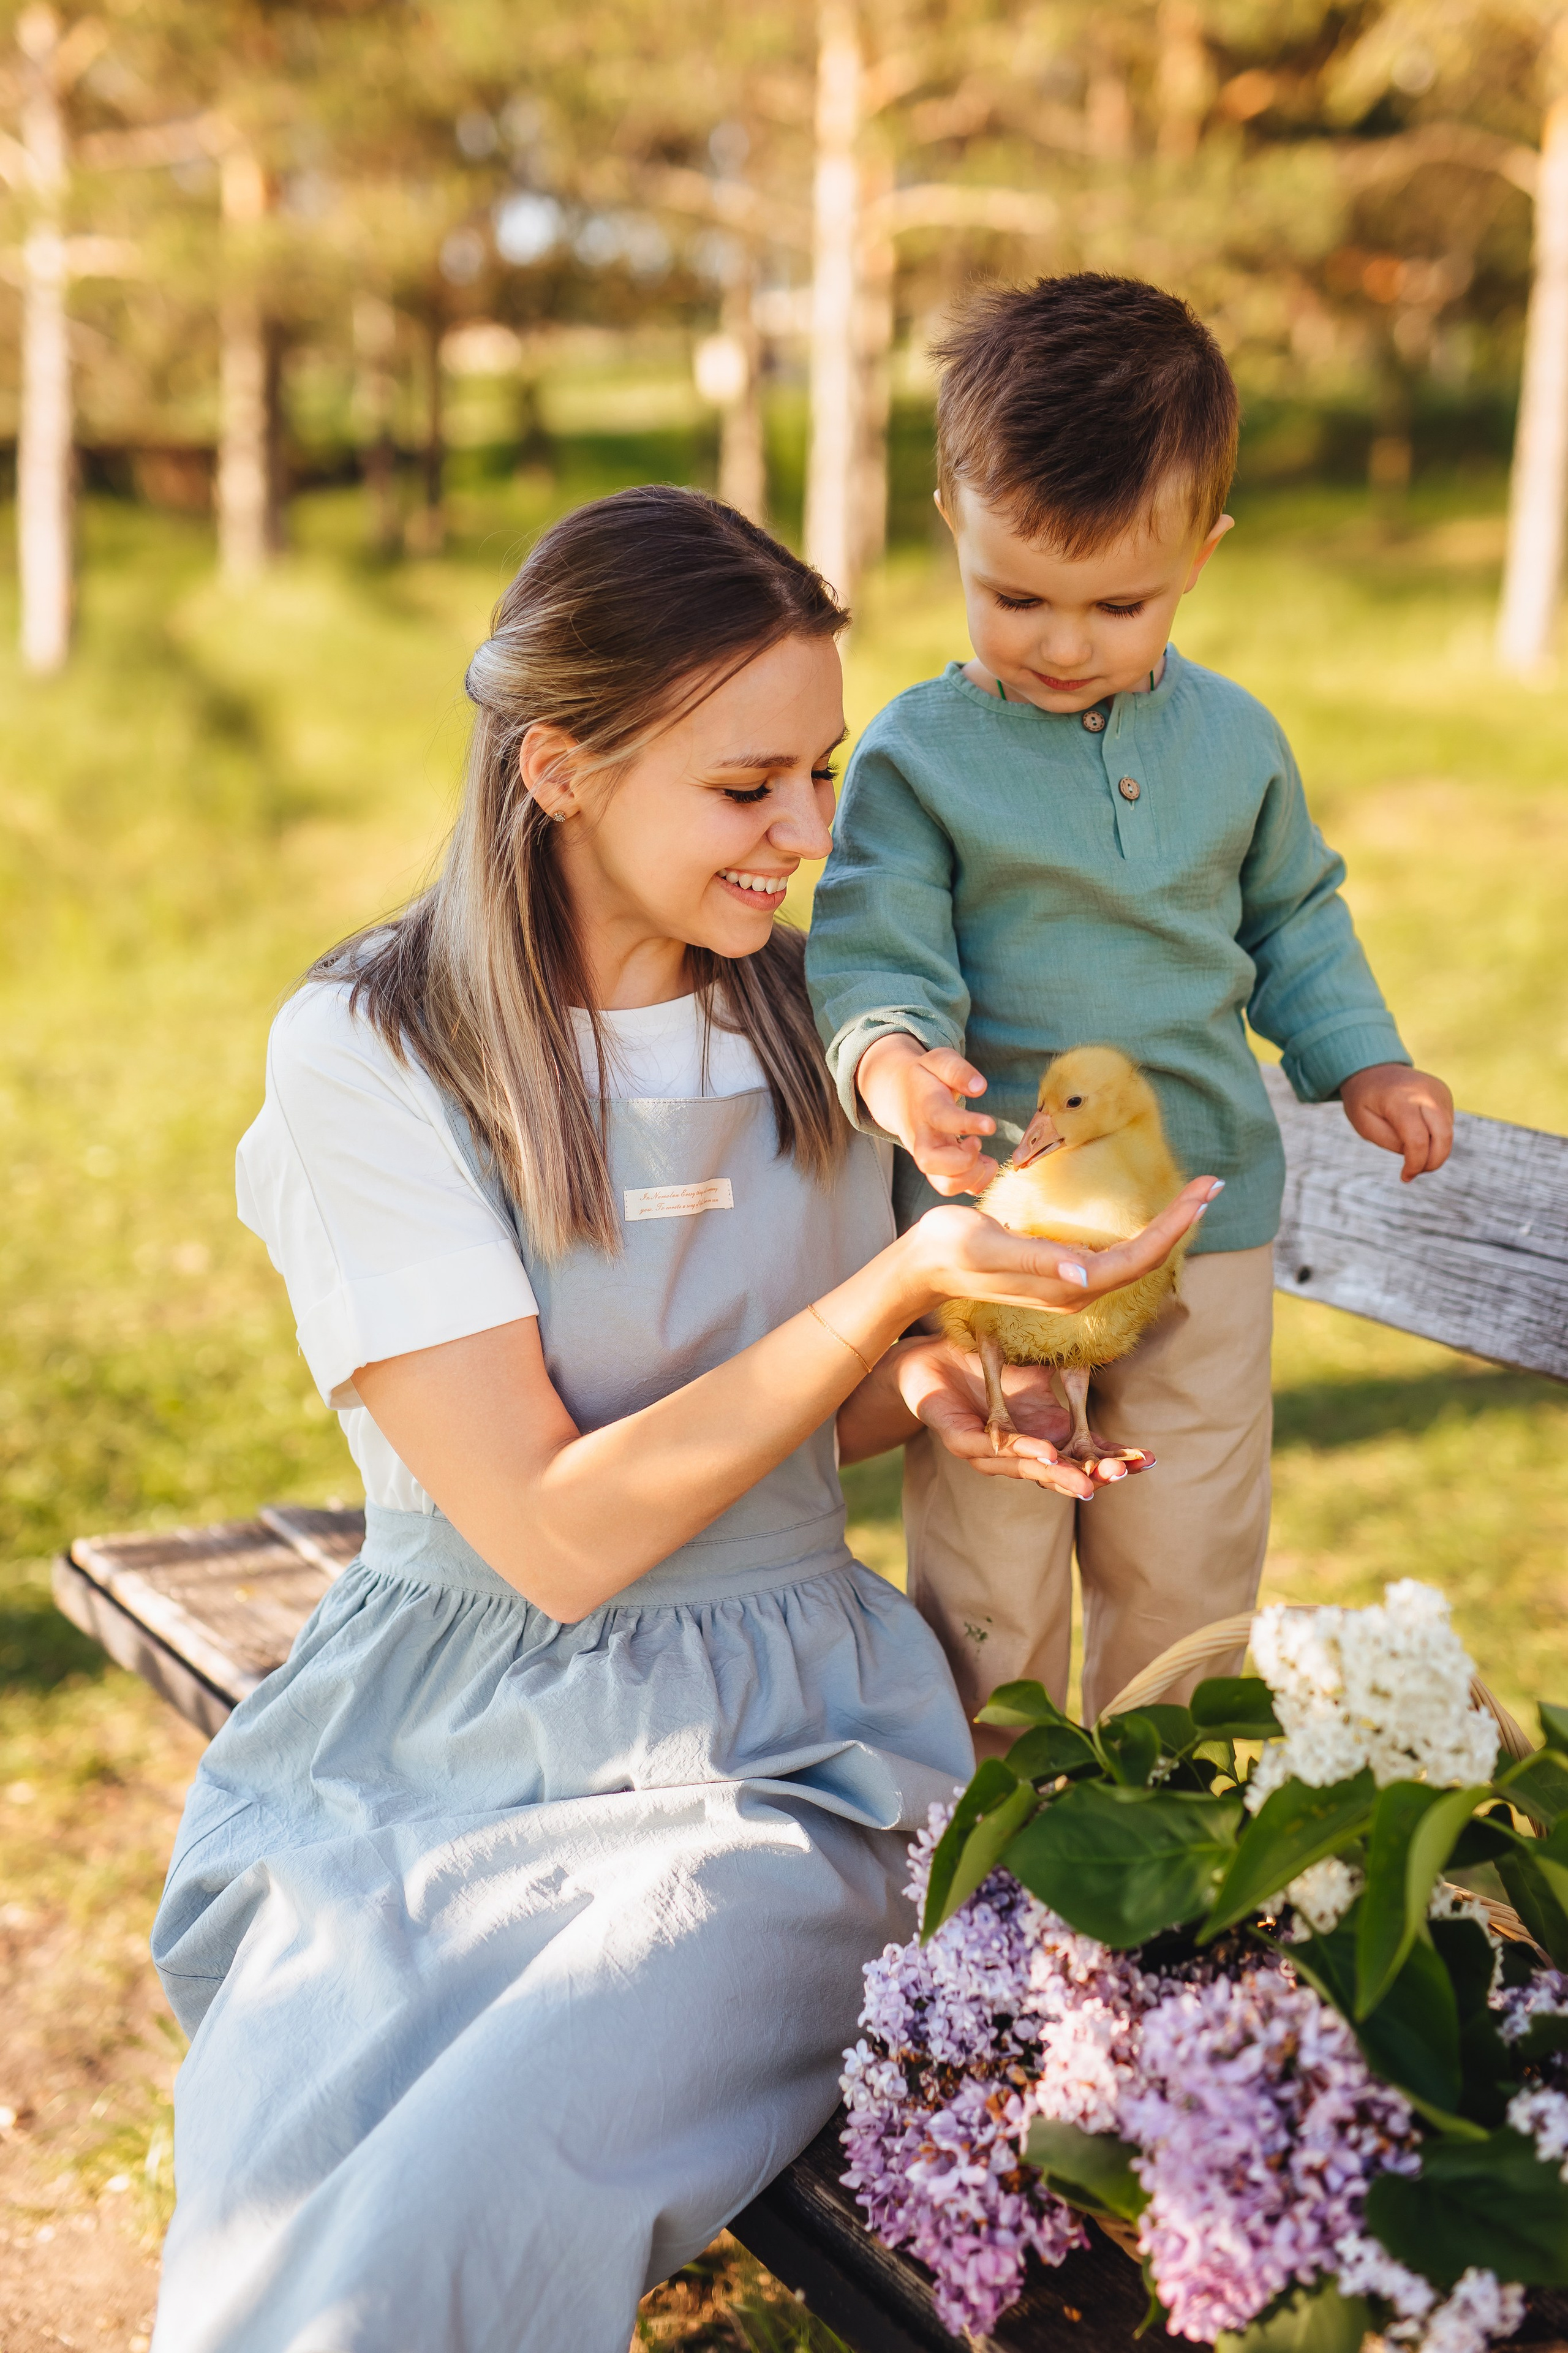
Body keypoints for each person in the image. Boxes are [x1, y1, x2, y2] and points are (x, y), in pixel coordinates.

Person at [149, 485, 1216, 2353]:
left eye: (822, 773)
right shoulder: (378, 1050)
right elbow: (557, 1532)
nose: (809, 833)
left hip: (789, 1755)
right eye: (748, 789)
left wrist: (946, 1377)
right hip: (449, 1731)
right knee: (297, 2165)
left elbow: (795, 1412)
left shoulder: (819, 1027)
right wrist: (888, 1293)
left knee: (469, 2184)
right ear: (559, 768)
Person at [805, 274, 1455, 1734]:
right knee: (991, 1559)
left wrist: (1363, 1057)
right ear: (949, 529)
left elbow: (1291, 915)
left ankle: (1157, 1819)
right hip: (1007, 1234)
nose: (1058, 642)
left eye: (1118, 603)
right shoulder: (918, 755)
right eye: (1014, 594)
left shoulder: (1234, 743)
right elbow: (873, 942)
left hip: (1203, 1229)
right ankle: (993, 1837)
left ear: (1200, 557)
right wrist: (897, 1066)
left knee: (1185, 1558)